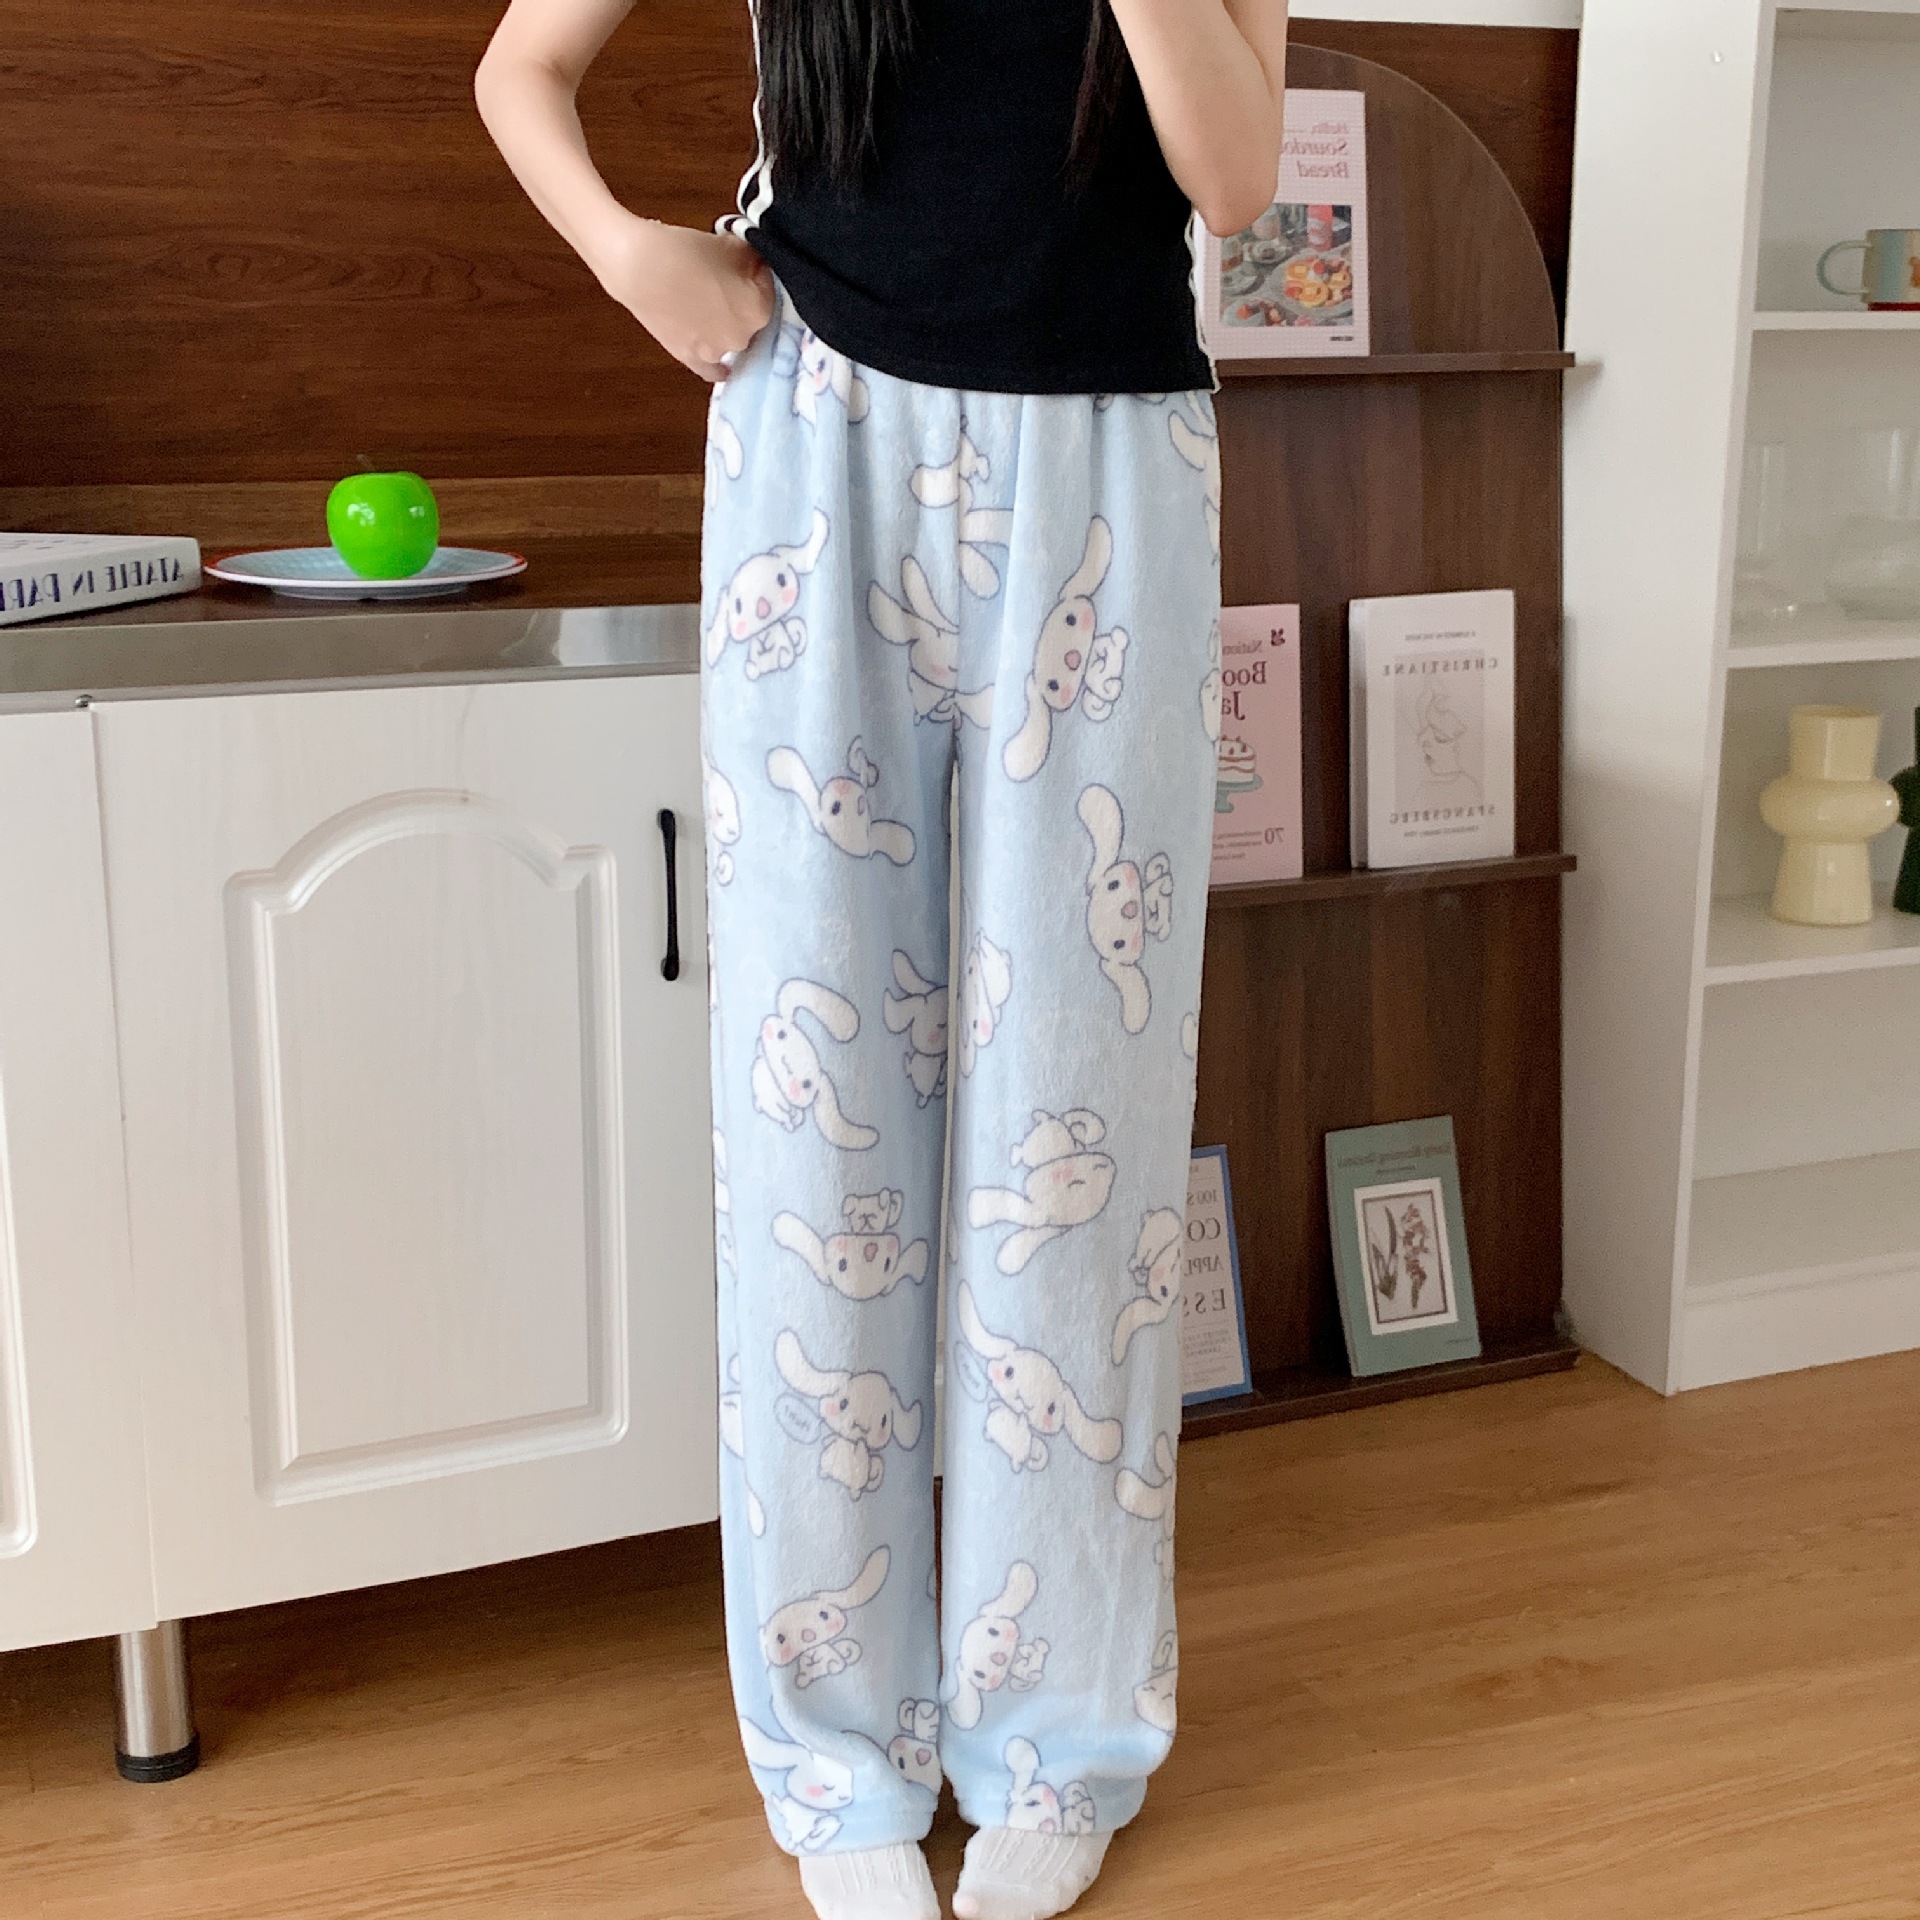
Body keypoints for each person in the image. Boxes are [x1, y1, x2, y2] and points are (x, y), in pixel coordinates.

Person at [475, 5, 1288, 1915]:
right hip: (816, 435)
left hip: (1108, 467)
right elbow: (522, 68)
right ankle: (836, 1757)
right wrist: (631, 251)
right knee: (814, 1139)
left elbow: (1235, 179)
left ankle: (1057, 1737)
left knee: (1076, 1130)